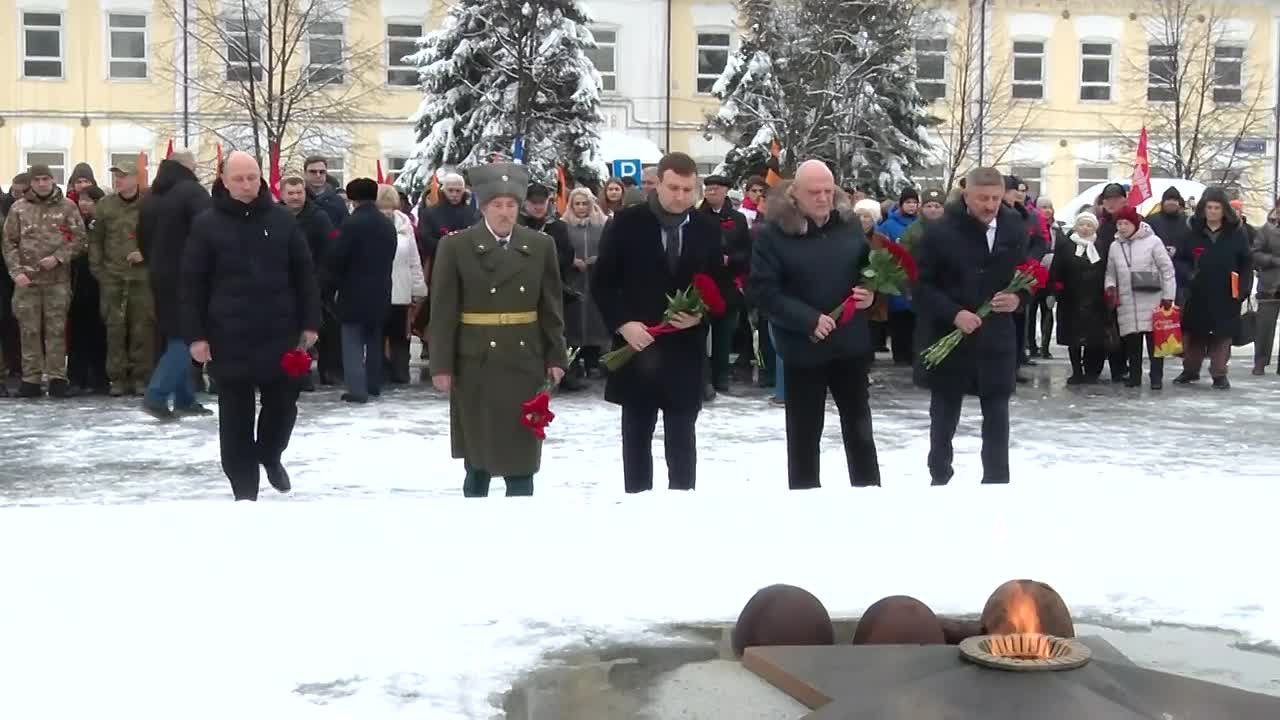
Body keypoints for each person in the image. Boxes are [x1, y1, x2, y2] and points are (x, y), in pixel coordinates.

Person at [180, 151, 322, 500]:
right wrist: (196, 335)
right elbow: (191, 284)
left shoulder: (283, 221)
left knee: (283, 406)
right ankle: (244, 491)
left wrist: (311, 323)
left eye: (252, 177)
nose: (246, 185)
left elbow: (305, 275)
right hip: (228, 335)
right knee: (235, 418)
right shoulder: (206, 224)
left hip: (280, 332)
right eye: (238, 178)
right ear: (224, 181)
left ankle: (270, 454)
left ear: (261, 178)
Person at [428, 163, 569, 497]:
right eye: (497, 205)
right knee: (478, 450)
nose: (505, 213)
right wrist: (441, 366)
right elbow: (444, 311)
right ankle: (474, 514)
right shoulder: (456, 247)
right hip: (476, 359)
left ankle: (521, 514)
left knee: (521, 448)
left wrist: (556, 355)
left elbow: (550, 308)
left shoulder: (540, 245)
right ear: (483, 207)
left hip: (524, 358)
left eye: (511, 205)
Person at [591, 152, 721, 493]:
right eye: (673, 188)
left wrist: (700, 313)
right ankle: (636, 504)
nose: (680, 196)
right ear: (658, 184)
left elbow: (722, 287)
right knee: (636, 439)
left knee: (682, 443)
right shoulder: (626, 223)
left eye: (687, 189)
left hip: (685, 352)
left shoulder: (707, 228)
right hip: (637, 350)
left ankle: (682, 503)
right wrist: (623, 324)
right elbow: (602, 284)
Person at [749, 163, 880, 489]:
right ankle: (805, 501)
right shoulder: (773, 234)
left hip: (849, 345)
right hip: (803, 348)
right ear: (795, 193)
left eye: (828, 190)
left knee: (860, 428)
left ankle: (869, 496)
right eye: (814, 192)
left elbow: (868, 269)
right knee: (805, 434)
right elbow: (764, 292)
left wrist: (870, 292)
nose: (823, 198)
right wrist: (807, 319)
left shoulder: (848, 225)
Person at [915, 167, 1029, 485]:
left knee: (996, 413)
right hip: (950, 336)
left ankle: (996, 481)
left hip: (997, 338)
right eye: (982, 198)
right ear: (966, 195)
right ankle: (940, 477)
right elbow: (921, 286)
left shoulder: (1014, 227)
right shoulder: (940, 232)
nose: (990, 205)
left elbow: (1028, 276)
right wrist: (954, 313)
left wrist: (1019, 298)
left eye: (995, 198)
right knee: (944, 414)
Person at [139, 151, 212, 419]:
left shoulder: (152, 197)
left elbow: (142, 238)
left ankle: (184, 398)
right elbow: (207, 230)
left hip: (158, 274)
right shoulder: (193, 193)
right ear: (187, 167)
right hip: (188, 274)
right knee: (186, 335)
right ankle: (157, 395)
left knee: (174, 334)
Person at [1, 164, 85, 398]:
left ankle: (58, 378)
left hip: (57, 281)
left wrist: (58, 258)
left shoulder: (68, 207)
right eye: (37, 179)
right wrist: (16, 272)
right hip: (27, 282)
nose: (41, 183)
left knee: (56, 332)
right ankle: (31, 380)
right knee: (29, 331)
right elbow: (8, 243)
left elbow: (80, 239)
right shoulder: (18, 208)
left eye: (45, 178)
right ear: (31, 182)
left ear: (52, 179)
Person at [327, 179, 398, 403]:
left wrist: (330, 285)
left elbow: (338, 258)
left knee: (352, 341)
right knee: (375, 338)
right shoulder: (387, 224)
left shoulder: (351, 224)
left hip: (353, 289)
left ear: (351, 197)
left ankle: (357, 389)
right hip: (381, 288)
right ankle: (373, 384)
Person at [1174, 188, 1253, 389]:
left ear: (1224, 210)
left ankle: (1219, 374)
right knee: (1195, 335)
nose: (1213, 211)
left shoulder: (1236, 233)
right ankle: (1190, 370)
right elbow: (1180, 260)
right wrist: (1188, 275)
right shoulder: (1192, 232)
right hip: (1198, 292)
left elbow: (1246, 264)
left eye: (1217, 207)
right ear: (1203, 209)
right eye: (1209, 207)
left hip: (1227, 293)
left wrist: (1242, 290)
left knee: (1222, 336)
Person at [91, 160, 153, 396]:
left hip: (141, 277)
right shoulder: (106, 205)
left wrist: (145, 253)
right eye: (116, 175)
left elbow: (160, 236)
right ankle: (116, 378)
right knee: (114, 328)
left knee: (142, 328)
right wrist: (99, 271)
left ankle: (140, 377)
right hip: (113, 276)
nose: (118, 179)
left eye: (124, 175)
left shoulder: (149, 205)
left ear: (136, 179)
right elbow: (96, 240)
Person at [1104, 206, 1176, 389]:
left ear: (1135, 224)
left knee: (1155, 343)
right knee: (1132, 343)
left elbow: (1166, 269)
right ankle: (1134, 376)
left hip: (1151, 297)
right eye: (1119, 223)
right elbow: (1110, 272)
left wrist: (1168, 296)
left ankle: (1156, 377)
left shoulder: (1153, 242)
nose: (1121, 227)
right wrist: (1110, 287)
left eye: (1125, 223)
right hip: (1127, 301)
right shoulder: (1114, 246)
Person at [280, 175, 336, 389]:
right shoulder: (274, 215)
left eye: (299, 193)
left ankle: (314, 374)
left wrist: (321, 280)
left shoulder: (319, 217)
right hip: (282, 284)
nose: (295, 197)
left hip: (312, 282)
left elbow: (329, 251)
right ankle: (290, 374)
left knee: (311, 331)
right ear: (282, 194)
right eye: (291, 193)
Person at [699, 174, 752, 397]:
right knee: (699, 334)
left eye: (715, 189)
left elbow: (747, 251)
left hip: (728, 284)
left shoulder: (737, 219)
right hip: (702, 283)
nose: (711, 193)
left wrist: (733, 260)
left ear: (725, 191)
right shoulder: (696, 216)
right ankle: (702, 379)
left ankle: (721, 377)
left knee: (724, 335)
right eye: (708, 189)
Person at [1051, 211, 1114, 384]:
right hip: (1071, 298)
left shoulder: (1101, 246)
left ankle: (1090, 370)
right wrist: (1055, 290)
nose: (1085, 228)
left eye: (1089, 225)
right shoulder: (1066, 246)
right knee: (1074, 337)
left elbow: (1108, 269)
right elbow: (1056, 269)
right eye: (1082, 225)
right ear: (1076, 226)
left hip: (1095, 299)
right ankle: (1076, 371)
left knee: (1093, 337)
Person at [376, 183, 426, 386]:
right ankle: (378, 370)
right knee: (377, 334)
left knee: (400, 334)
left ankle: (400, 371)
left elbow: (414, 258)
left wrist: (418, 286)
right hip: (376, 290)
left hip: (401, 289)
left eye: (391, 206)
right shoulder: (369, 225)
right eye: (382, 206)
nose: (387, 211)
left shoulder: (405, 226)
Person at [563, 186, 611, 379]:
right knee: (573, 319)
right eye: (577, 204)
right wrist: (571, 260)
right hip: (573, 279)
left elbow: (609, 248)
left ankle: (593, 361)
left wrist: (597, 259)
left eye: (585, 203)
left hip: (595, 278)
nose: (581, 207)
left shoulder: (603, 224)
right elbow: (557, 249)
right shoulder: (563, 224)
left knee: (594, 320)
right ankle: (573, 363)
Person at [67, 185, 109, 394]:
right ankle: (76, 377)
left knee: (99, 331)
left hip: (100, 282)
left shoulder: (103, 223)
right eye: (81, 199)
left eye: (89, 200)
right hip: (78, 283)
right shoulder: (76, 223)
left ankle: (99, 376)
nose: (84, 204)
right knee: (78, 331)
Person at [1028, 196, 1064, 359]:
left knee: (1048, 310)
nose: (1047, 210)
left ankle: (1045, 346)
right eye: (1043, 207)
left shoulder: (1058, 229)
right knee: (1031, 310)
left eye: (1049, 207)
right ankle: (1031, 345)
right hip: (1034, 273)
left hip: (1052, 274)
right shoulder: (1032, 227)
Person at [1148, 186, 1192, 306]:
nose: (1171, 203)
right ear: (1163, 202)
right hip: (1154, 275)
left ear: (1179, 203)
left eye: (1174, 200)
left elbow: (1191, 248)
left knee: (1178, 314)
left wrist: (1177, 252)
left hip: (1180, 275)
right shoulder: (1151, 221)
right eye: (1168, 200)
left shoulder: (1188, 223)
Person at [1251, 205, 1280, 375]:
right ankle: (1260, 361)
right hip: (1270, 286)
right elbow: (1254, 253)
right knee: (1264, 327)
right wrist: (1274, 260)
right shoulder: (1266, 231)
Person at [303, 156, 349, 227]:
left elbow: (345, 229)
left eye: (322, 172)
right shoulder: (297, 199)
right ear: (305, 173)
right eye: (313, 172)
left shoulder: (337, 201)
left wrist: (332, 236)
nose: (318, 175)